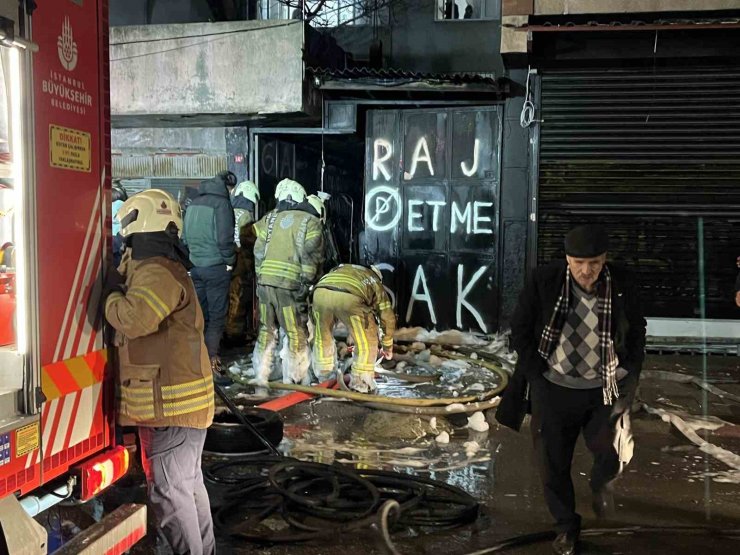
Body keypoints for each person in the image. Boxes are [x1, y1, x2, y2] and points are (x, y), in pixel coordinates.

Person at [497, 224, 646, 555]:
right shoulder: (545, 280)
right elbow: (520, 328)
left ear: (604, 260)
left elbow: (637, 328)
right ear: (567, 259)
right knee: (553, 464)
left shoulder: (621, 282)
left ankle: (601, 482)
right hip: (554, 388)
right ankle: (565, 526)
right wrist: (537, 375)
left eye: (593, 262)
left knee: (610, 454)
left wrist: (630, 371)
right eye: (578, 262)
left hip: (604, 389)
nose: (585, 270)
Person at [104, 189, 215, 555]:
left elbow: (135, 318)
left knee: (170, 493)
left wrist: (109, 297)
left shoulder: (156, 271)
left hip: (170, 411)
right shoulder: (161, 266)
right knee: (187, 486)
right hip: (179, 409)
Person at [252, 178, 324, 386]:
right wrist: (306, 285)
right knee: (294, 331)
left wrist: (261, 278)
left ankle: (261, 373)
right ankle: (295, 377)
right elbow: (310, 259)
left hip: (265, 283)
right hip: (289, 286)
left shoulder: (269, 219)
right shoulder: (311, 222)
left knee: (267, 328)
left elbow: (258, 251)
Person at [311, 264, 395, 393]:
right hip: (350, 297)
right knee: (366, 342)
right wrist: (387, 346)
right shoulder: (374, 281)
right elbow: (387, 317)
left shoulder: (344, 270)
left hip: (320, 293)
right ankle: (361, 383)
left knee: (323, 337)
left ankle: (325, 377)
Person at [182, 174, 236, 372]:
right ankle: (211, 360)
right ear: (226, 186)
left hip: (195, 268)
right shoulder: (221, 204)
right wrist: (230, 260)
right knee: (216, 316)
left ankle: (196, 359)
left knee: (200, 315)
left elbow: (184, 238)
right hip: (216, 267)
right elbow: (225, 238)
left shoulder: (194, 202)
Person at [224, 180, 260, 344]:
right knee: (238, 299)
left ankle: (226, 332)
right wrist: (251, 266)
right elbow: (247, 243)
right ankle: (234, 335)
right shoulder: (246, 215)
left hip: (225, 261)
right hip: (239, 263)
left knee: (227, 299)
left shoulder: (228, 211)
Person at [111, 183, 128, 267]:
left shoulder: (109, 204)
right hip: (119, 233)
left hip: (111, 234)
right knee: (119, 255)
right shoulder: (120, 204)